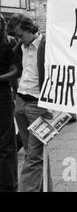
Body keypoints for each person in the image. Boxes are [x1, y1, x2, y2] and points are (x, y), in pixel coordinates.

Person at [6, 14, 53, 192]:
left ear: (29, 28)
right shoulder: (20, 47)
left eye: (20, 35)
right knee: (34, 153)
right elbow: (18, 69)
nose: (19, 39)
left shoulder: (46, 45)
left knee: (34, 156)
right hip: (21, 102)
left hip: (38, 106)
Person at [0, 14, 21, 191]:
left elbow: (15, 71)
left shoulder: (9, 44)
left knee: (6, 143)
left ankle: (9, 186)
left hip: (3, 94)